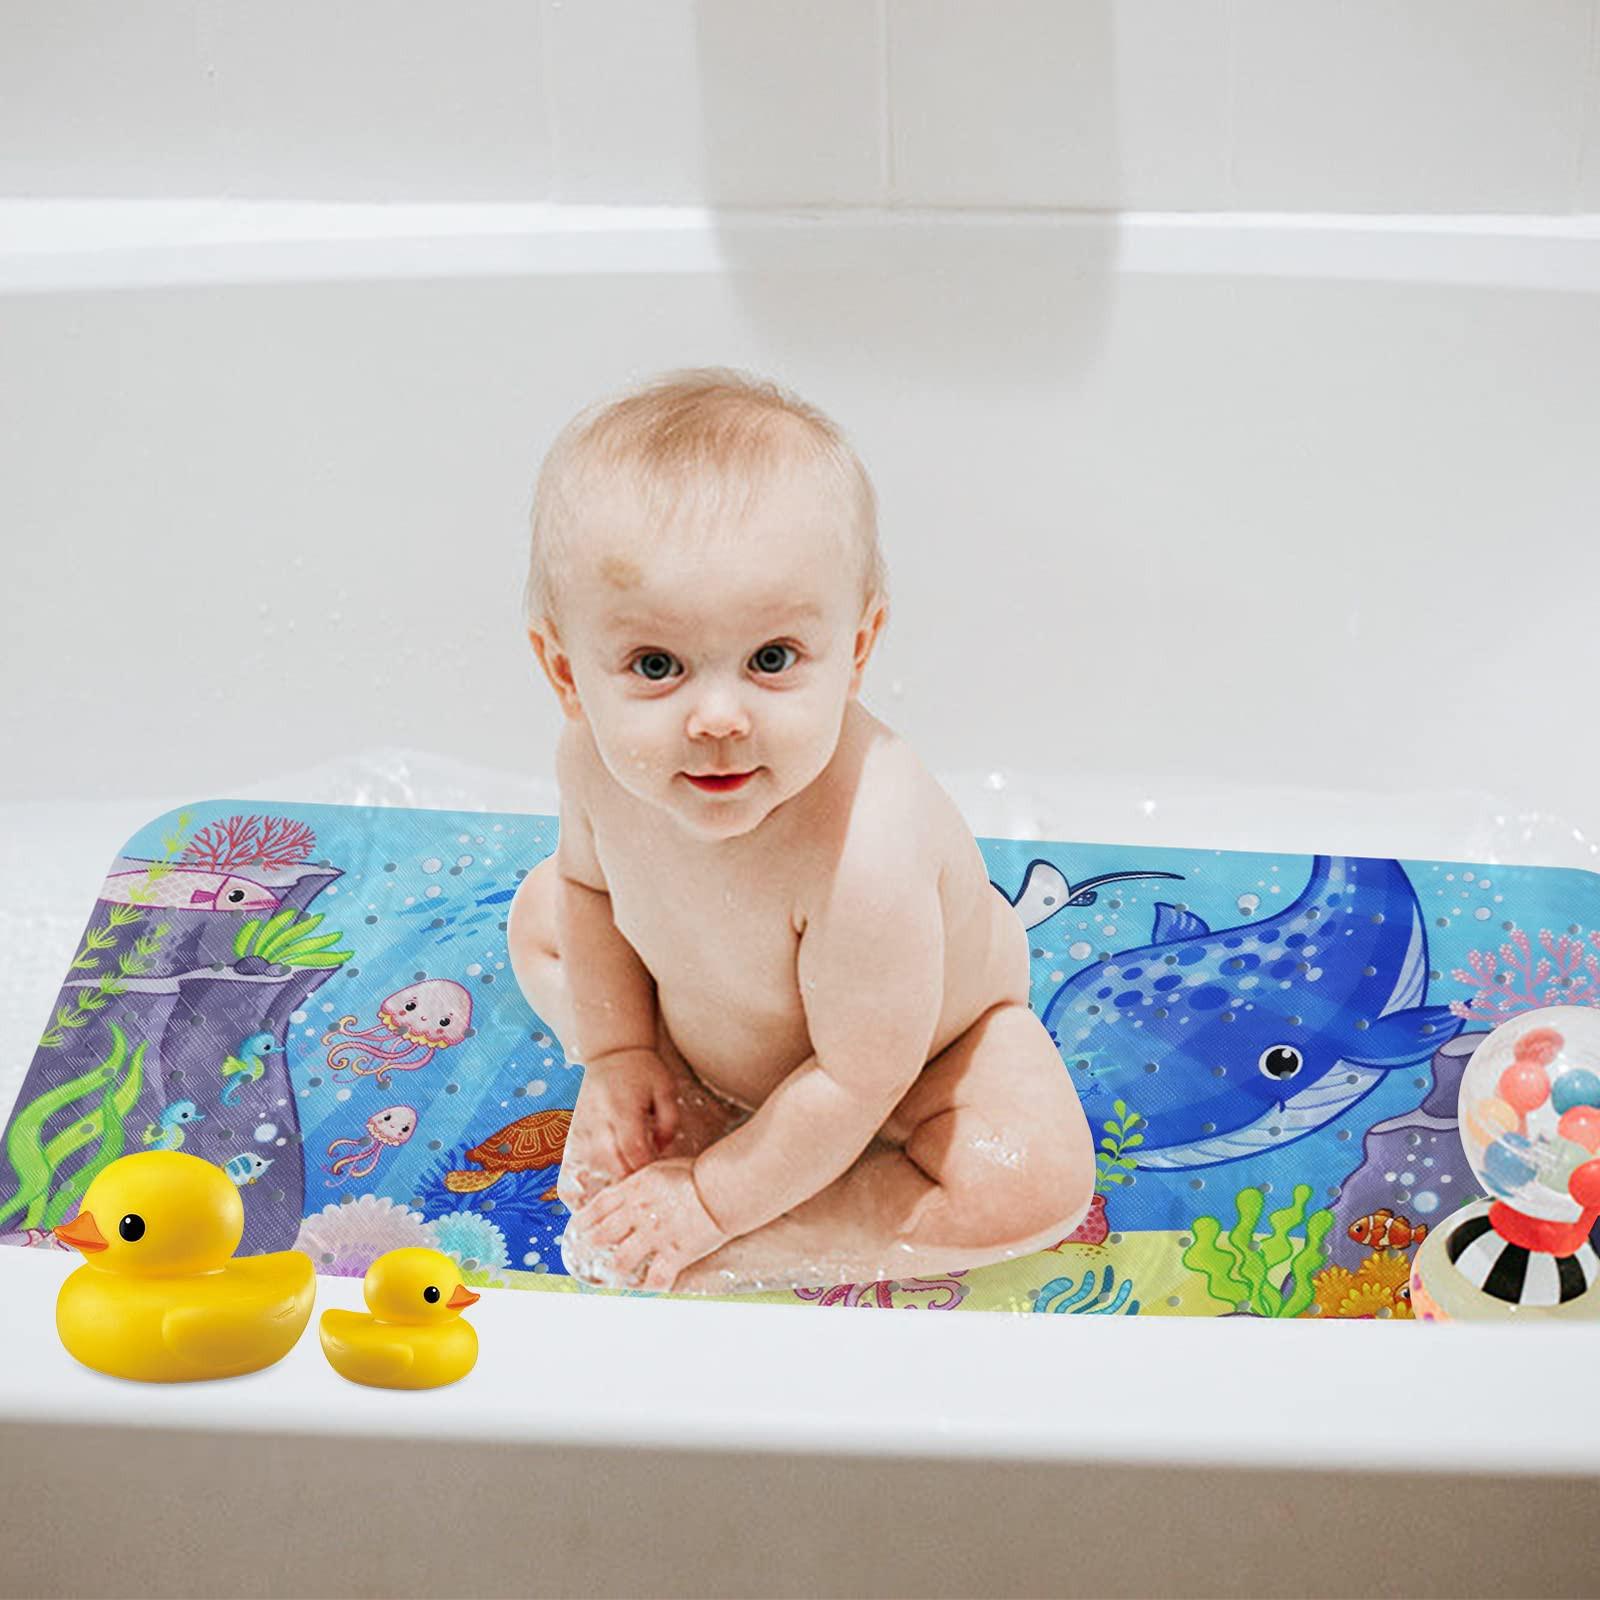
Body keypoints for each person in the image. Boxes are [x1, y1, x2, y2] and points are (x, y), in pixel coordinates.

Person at [509, 369, 1091, 1292]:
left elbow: (858, 1079)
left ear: (856, 651)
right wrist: (617, 1055)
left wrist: (709, 1201)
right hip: (706, 1012)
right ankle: (687, 1099)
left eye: (771, 659)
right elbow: (588, 890)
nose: (718, 717)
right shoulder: (590, 759)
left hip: (914, 1065)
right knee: (541, 909)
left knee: (1030, 1184)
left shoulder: (869, 842)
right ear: (567, 673)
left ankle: (808, 1220)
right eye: (656, 665)